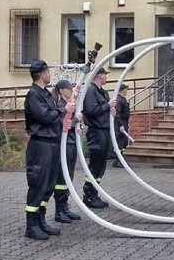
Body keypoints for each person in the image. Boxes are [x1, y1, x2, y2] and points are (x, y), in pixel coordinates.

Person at [23, 60, 69, 240]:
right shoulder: (34, 95)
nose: (50, 75)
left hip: (52, 143)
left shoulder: (45, 94)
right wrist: (64, 111)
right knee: (38, 184)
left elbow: (53, 116)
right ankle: (31, 225)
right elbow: (46, 116)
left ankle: (41, 220)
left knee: (48, 185)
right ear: (43, 74)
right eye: (48, 72)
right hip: (40, 145)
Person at [82, 66, 116, 208]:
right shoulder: (91, 91)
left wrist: (111, 111)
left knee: (101, 165)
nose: (106, 77)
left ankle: (94, 193)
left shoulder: (103, 92)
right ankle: (89, 194)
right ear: (100, 76)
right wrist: (107, 106)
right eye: (105, 75)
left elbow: (104, 110)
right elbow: (91, 110)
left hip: (104, 130)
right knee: (95, 165)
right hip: (96, 132)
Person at [51, 79, 82, 224]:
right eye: (69, 89)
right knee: (62, 179)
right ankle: (59, 210)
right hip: (65, 146)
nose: (72, 91)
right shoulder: (61, 106)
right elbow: (64, 125)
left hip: (71, 144)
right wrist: (75, 119)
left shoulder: (69, 106)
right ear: (62, 90)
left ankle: (64, 207)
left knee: (68, 177)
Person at [112, 83, 131, 168]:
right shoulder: (119, 100)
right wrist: (120, 125)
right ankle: (117, 160)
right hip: (120, 124)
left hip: (124, 122)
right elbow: (117, 114)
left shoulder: (122, 99)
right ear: (122, 90)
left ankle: (119, 159)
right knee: (120, 142)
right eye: (126, 89)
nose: (127, 91)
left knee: (124, 142)